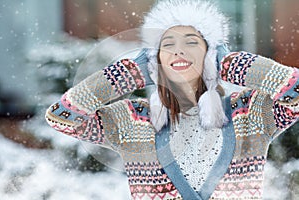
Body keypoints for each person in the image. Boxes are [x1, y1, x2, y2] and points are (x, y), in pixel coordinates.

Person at [45, 0, 299, 199]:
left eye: (191, 42)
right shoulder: (132, 121)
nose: (179, 50)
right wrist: (130, 73)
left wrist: (233, 64)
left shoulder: (250, 114)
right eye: (167, 44)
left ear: (211, 56)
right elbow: (63, 116)